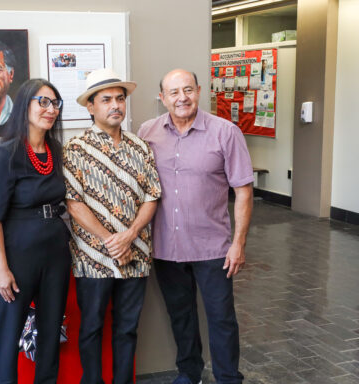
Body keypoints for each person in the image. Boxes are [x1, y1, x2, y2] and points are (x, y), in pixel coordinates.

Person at [138, 69, 254, 384]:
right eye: (173, 92)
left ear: (199, 91)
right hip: (164, 246)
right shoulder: (147, 132)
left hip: (212, 247)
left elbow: (243, 190)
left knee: (221, 318)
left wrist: (239, 243)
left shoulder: (225, 132)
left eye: (187, 89)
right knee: (181, 315)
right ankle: (189, 373)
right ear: (162, 98)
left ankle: (229, 378)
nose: (182, 98)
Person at [63, 68, 161, 384]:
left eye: (120, 98)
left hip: (136, 253)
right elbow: (73, 203)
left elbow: (151, 197)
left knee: (127, 327)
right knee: (91, 327)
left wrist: (129, 236)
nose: (115, 105)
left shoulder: (141, 146)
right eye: (106, 99)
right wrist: (110, 240)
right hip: (93, 257)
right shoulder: (75, 148)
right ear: (90, 106)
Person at [0, 78, 71, 384]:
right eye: (43, 102)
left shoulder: (55, 150)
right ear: (25, 105)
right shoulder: (7, 154)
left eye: (55, 103)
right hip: (18, 254)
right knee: (8, 333)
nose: (50, 110)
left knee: (50, 330)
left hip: (56, 252)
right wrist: (2, 270)